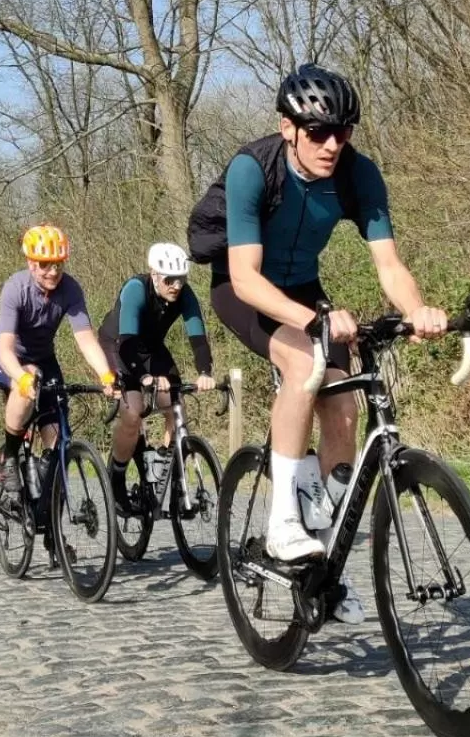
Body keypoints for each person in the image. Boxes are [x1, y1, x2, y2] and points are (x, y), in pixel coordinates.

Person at [188, 63, 446, 622]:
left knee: (344, 398)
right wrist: (311, 323)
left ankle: (324, 559)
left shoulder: (358, 175)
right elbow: (247, 278)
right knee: (303, 355)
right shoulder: (251, 169)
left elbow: (390, 264)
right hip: (244, 286)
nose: (332, 144)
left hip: (304, 285)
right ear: (288, 128)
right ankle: (282, 521)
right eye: (317, 133)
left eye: (343, 132)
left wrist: (416, 308)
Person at [0, 224, 116, 506]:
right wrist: (20, 377)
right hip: (4, 356)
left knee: (57, 437)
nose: (53, 271)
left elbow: (86, 340)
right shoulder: (15, 288)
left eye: (58, 264)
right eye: (45, 265)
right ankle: (9, 459)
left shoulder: (70, 289)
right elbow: (6, 350)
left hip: (44, 358)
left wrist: (105, 373)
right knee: (27, 381)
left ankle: (47, 507)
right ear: (31, 263)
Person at [97, 243, 216, 514]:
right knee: (133, 412)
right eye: (169, 280)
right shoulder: (136, 289)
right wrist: (145, 377)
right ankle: (116, 477)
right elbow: (127, 344)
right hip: (119, 344)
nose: (176, 285)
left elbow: (198, 338)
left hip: (151, 348)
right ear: (154, 275)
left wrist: (205, 372)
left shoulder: (185, 295)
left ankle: (164, 467)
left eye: (181, 279)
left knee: (177, 407)